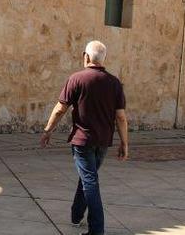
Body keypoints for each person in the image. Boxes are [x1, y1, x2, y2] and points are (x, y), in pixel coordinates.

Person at [40, 41, 128, 235]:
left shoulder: (76, 79)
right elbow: (120, 117)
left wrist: (47, 130)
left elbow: (60, 109)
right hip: (103, 141)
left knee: (89, 181)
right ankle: (76, 214)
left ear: (86, 57)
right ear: (104, 59)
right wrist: (124, 143)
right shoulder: (114, 83)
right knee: (89, 177)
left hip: (82, 141)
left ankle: (97, 230)